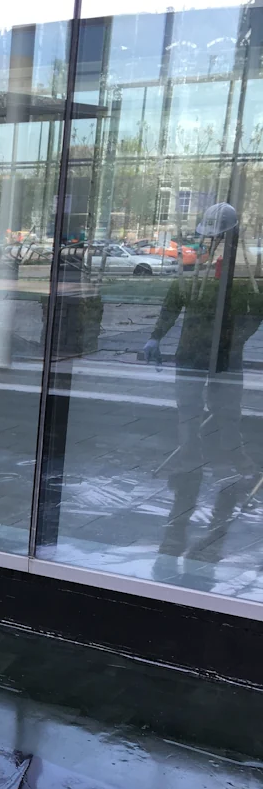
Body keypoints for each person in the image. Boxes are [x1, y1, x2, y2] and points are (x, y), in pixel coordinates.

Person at [142, 202, 263, 585]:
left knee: (227, 414)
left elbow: (255, 313)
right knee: (189, 414)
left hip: (225, 360)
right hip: (191, 357)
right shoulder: (193, 272)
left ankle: (237, 466)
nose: (211, 242)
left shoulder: (246, 275)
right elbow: (173, 303)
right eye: (208, 235)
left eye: (217, 236)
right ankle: (189, 467)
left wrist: (233, 344)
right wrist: (155, 336)